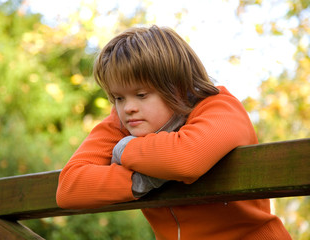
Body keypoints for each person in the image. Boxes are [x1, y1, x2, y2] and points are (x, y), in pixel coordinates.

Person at [56, 25, 291, 239]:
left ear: (177, 87)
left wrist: (125, 148)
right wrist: (141, 181)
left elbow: (185, 159)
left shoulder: (219, 107)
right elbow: (69, 187)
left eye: (141, 95)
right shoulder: (124, 121)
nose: (128, 108)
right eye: (118, 97)